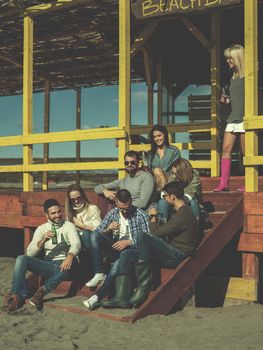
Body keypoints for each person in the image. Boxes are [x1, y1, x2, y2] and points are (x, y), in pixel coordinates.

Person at [129, 181, 200, 308]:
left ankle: (144, 285)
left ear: (172, 196)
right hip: (176, 250)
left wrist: (153, 218)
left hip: (178, 255)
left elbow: (155, 233)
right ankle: (132, 288)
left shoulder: (182, 215)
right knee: (131, 253)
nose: (164, 198)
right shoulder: (183, 211)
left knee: (141, 236)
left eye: (165, 196)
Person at [4, 199, 81, 312]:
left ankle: (42, 292)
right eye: (53, 213)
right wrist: (43, 240)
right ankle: (16, 295)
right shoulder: (42, 229)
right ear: (47, 215)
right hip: (49, 265)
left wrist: (69, 256)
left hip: (66, 264)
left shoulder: (68, 226)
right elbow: (29, 253)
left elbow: (76, 243)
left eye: (59, 212)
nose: (57, 215)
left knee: (71, 261)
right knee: (21, 258)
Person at [82, 189, 150, 310]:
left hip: (132, 251)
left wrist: (129, 242)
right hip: (115, 248)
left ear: (131, 202)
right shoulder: (113, 213)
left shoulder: (141, 215)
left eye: (126, 208)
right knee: (93, 235)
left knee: (116, 265)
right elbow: (98, 232)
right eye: (120, 208)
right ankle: (99, 273)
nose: (123, 211)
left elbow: (147, 240)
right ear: (116, 203)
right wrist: (108, 229)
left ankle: (96, 297)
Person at [214, 44, 245, 192]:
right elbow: (230, 102)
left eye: (230, 58)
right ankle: (224, 183)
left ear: (238, 58)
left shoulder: (251, 75)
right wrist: (225, 102)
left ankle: (248, 183)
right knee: (225, 148)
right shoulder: (231, 78)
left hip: (246, 118)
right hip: (233, 118)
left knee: (246, 151)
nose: (227, 61)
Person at [143, 124, 181, 220]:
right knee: (155, 172)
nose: (157, 139)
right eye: (154, 137)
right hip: (155, 183)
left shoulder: (173, 150)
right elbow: (148, 172)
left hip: (171, 181)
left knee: (157, 170)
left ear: (165, 135)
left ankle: (164, 194)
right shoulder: (150, 154)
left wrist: (162, 173)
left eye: (159, 135)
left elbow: (177, 171)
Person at [65, 184, 101, 249]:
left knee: (85, 234)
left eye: (78, 198)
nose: (76, 201)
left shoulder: (92, 208)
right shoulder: (70, 213)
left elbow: (99, 231)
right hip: (77, 244)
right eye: (73, 199)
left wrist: (83, 226)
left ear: (83, 196)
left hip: (92, 244)